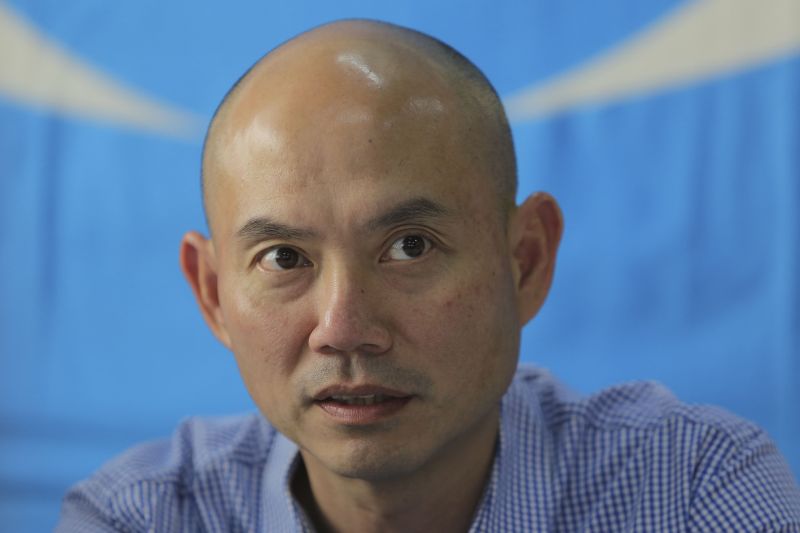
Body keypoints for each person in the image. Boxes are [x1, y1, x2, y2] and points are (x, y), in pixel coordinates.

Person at [57, 19, 800, 533]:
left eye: (410, 246)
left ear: (526, 261)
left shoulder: (694, 492)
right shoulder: (141, 516)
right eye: (285, 258)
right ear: (213, 293)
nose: (345, 328)